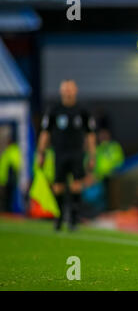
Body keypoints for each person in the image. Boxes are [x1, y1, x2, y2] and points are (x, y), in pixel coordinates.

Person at [37, 79, 96, 231]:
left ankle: (74, 219)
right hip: (59, 153)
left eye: (71, 89)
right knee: (58, 186)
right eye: (66, 89)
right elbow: (45, 133)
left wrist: (92, 155)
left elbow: (90, 135)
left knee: (77, 185)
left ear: (75, 91)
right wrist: (41, 153)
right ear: (61, 91)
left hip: (77, 153)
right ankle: (60, 215)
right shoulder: (54, 110)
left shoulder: (82, 111)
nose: (68, 92)